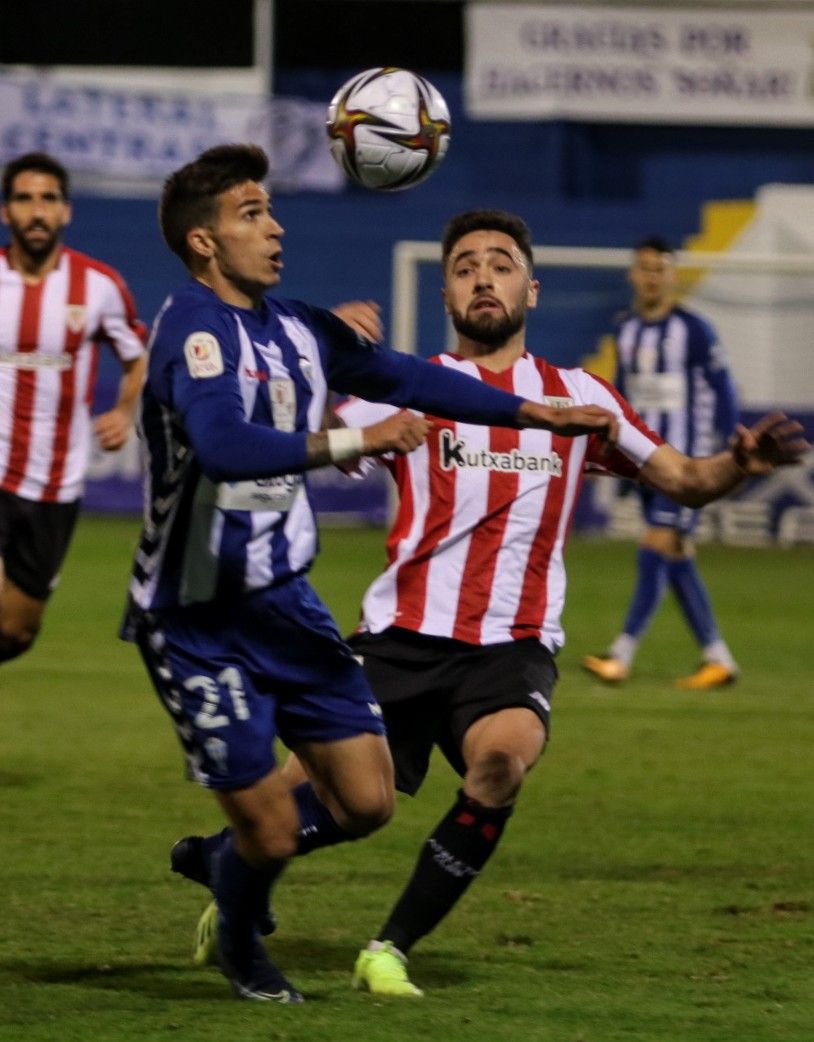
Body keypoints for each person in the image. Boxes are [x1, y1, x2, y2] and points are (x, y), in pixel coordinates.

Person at [183, 208, 808, 999]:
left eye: (502, 263)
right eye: (467, 265)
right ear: (445, 291)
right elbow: (290, 438)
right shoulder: (406, 389)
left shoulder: (581, 398)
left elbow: (685, 480)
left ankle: (390, 947)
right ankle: (224, 867)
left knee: (500, 768)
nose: (485, 275)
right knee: (337, 808)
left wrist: (740, 463)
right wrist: (318, 366)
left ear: (532, 289)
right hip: (399, 637)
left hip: (512, 643)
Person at [123, 146, 622, 1004]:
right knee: (275, 831)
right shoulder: (192, 330)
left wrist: (529, 409)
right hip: (196, 614)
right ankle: (245, 953)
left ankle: (218, 862)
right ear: (205, 243)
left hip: (289, 604)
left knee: (366, 804)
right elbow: (224, 446)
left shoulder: (296, 328)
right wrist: (362, 440)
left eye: (271, 209)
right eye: (252, 213)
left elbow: (406, 376)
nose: (275, 226)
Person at [0, 151, 147, 664]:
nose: (36, 211)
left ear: (66, 211)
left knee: (16, 633)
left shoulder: (99, 287)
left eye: (48, 199)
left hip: (53, 484)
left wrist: (126, 412)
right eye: (23, 199)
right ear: (6, 212)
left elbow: (137, 358)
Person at [582, 236, 742, 689]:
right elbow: (619, 395)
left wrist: (730, 456)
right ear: (634, 274)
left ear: (673, 275)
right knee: (674, 557)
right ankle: (718, 658)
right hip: (645, 463)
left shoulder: (694, 329)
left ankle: (621, 654)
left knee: (655, 546)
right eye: (644, 268)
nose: (652, 276)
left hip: (688, 464)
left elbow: (723, 389)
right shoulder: (626, 329)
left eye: (660, 269)